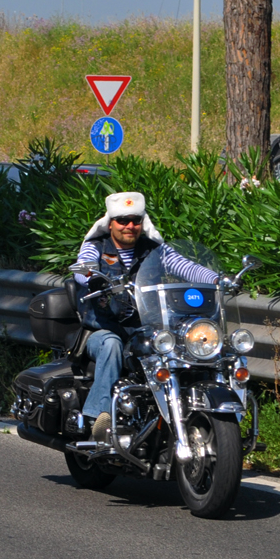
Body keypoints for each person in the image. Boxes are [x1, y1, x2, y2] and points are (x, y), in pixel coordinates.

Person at [72, 191, 219, 445]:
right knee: (111, 345)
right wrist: (90, 276)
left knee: (178, 345)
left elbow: (183, 265)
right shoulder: (96, 245)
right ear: (111, 223)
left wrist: (215, 279)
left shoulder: (153, 250)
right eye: (123, 220)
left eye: (136, 220)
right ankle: (100, 417)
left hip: (143, 329)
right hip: (102, 330)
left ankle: (183, 414)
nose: (130, 226)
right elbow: (80, 266)